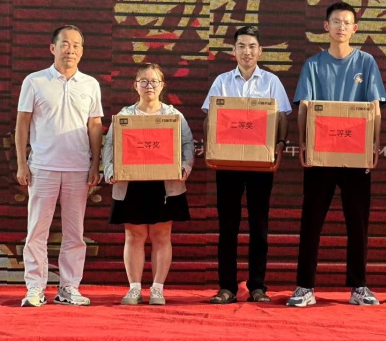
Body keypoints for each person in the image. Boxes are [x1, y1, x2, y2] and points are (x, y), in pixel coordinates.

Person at [288, 1, 386, 307]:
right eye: (336, 21)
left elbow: (375, 107)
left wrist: (374, 145)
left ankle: (359, 286)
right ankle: (305, 287)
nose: (341, 27)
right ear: (326, 26)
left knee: (358, 223)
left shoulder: (366, 62)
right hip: (321, 154)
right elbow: (305, 107)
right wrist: (304, 145)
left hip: (356, 155)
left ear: (354, 29)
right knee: (311, 221)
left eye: (346, 22)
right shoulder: (313, 65)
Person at [202, 25, 291, 304]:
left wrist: (279, 147)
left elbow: (282, 118)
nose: (247, 51)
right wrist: (210, 149)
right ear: (233, 50)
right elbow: (210, 118)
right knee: (227, 227)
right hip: (228, 163)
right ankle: (227, 287)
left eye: (252, 46)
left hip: (260, 165)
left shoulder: (271, 82)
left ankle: (257, 286)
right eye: (241, 46)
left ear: (260, 51)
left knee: (259, 226)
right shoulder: (222, 81)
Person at [15, 25, 103, 307]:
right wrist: (22, 164)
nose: (71, 50)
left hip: (78, 168)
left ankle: (69, 288)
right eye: (65, 44)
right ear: (53, 48)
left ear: (82, 51)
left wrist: (95, 164)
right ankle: (35, 288)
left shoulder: (90, 84)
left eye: (76, 45)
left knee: (74, 233)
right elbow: (22, 124)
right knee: (36, 231)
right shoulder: (35, 81)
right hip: (43, 167)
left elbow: (95, 125)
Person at [103, 64, 194, 305]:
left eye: (154, 81)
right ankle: (134, 288)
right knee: (134, 235)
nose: (149, 86)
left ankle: (157, 288)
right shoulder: (125, 116)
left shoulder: (174, 116)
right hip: (132, 183)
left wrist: (184, 167)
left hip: (165, 184)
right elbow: (110, 146)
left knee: (162, 235)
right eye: (143, 81)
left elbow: (187, 144)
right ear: (135, 85)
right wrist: (111, 170)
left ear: (162, 85)